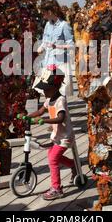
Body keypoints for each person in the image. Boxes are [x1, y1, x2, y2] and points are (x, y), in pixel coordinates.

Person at [27, 66, 76, 200]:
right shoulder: (49, 100)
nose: (43, 91)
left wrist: (45, 121)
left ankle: (56, 188)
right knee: (52, 155)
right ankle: (73, 165)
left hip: (65, 137)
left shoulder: (61, 100)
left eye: (46, 89)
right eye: (42, 89)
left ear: (56, 86)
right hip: (58, 136)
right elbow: (40, 111)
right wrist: (28, 117)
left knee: (52, 159)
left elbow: (60, 118)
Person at [35, 0, 74, 98]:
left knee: (60, 92)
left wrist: (57, 46)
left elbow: (71, 45)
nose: (43, 16)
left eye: (44, 13)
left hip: (60, 64)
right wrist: (40, 48)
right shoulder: (48, 25)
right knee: (48, 91)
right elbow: (44, 40)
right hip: (48, 63)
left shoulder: (64, 25)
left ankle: (62, 112)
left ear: (50, 12)